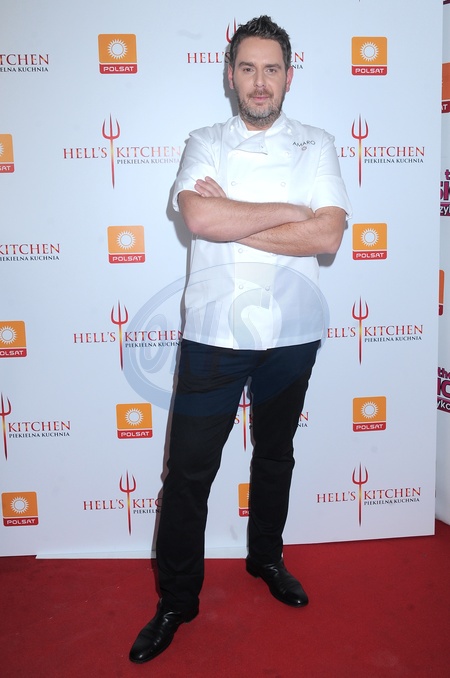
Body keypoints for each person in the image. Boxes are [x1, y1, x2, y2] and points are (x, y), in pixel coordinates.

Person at [129, 15, 351, 664]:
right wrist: (289, 212)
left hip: (293, 334)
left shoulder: (317, 144)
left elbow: (327, 236)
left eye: (271, 69)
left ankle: (266, 558)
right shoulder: (204, 142)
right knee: (188, 473)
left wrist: (237, 218)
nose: (260, 82)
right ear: (230, 76)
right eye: (248, 68)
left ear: (289, 76)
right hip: (214, 335)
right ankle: (177, 601)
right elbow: (200, 216)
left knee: (275, 455)